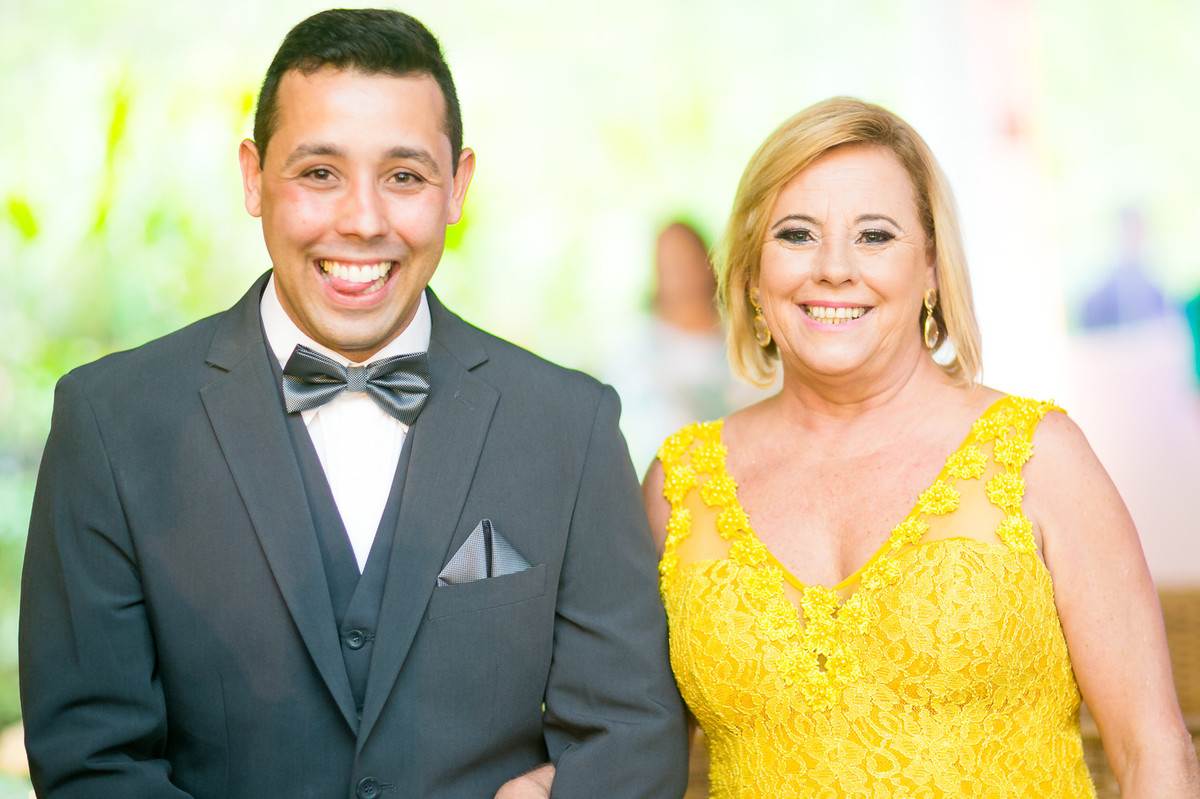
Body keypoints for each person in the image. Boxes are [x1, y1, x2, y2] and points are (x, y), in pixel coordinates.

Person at [19, 9, 687, 798]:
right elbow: (93, 760)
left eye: (404, 176)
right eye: (319, 173)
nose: (363, 221)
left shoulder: (570, 427)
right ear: (252, 177)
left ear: (457, 186)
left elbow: (632, 733)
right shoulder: (110, 422)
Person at [643, 97, 1200, 797]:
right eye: (796, 234)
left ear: (932, 265)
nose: (834, 268)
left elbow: (1153, 753)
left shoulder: (1039, 457)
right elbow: (628, 751)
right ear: (752, 269)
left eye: (875, 235)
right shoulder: (679, 484)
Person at [605, 222, 765, 473]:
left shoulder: (751, 338)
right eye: (669, 265)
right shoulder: (634, 355)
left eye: (687, 260)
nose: (680, 273)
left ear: (709, 262)